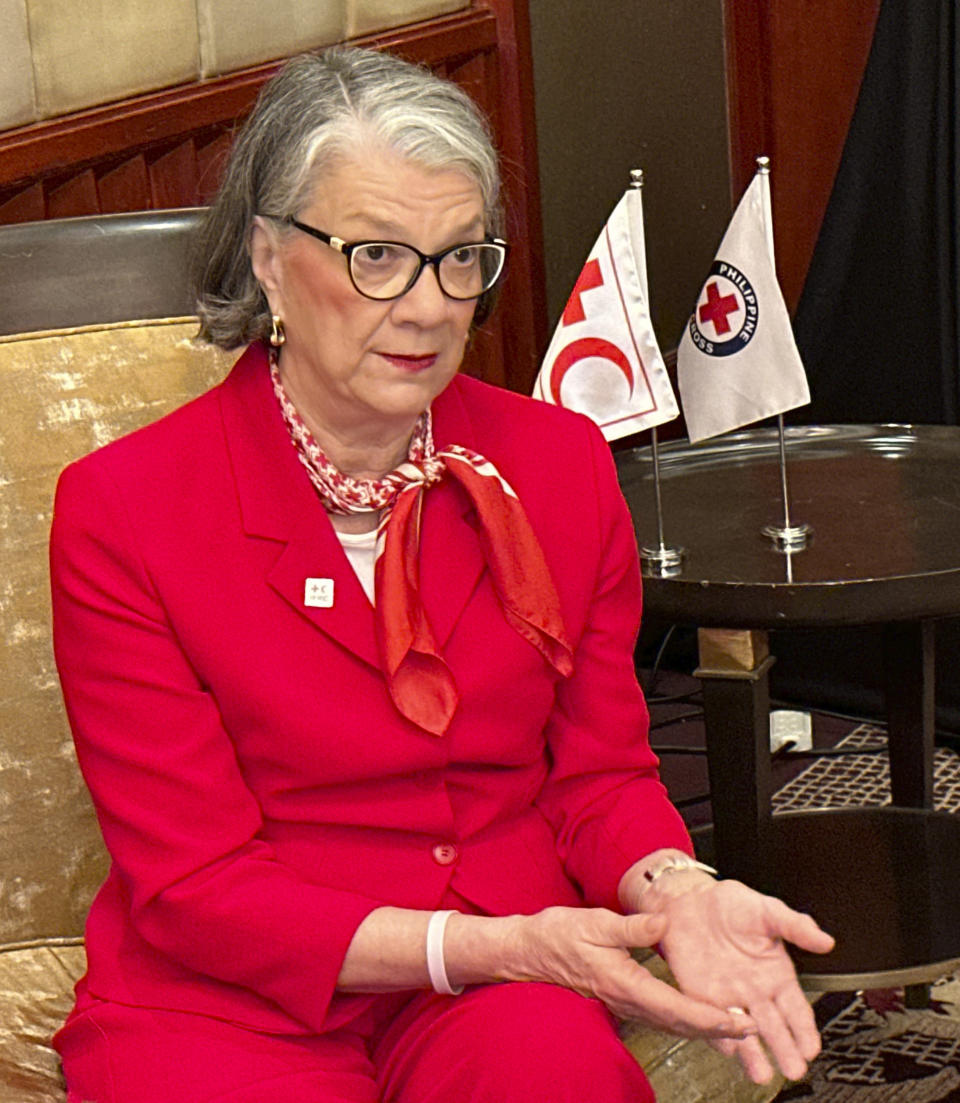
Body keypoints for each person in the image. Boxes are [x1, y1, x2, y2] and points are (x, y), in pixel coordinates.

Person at [49, 46, 833, 1103]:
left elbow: (596, 775)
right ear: (269, 257)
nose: (427, 306)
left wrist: (675, 886)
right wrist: (485, 945)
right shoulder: (127, 510)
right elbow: (195, 881)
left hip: (501, 970)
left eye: (460, 257)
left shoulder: (555, 465)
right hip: (232, 991)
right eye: (377, 255)